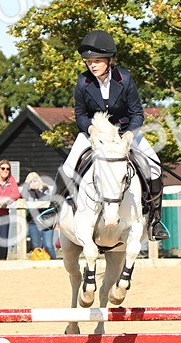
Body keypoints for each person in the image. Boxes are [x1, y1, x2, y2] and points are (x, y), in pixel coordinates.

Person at [37, 30, 169, 239]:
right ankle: (53, 209)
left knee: (154, 166)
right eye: (89, 61)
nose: (92, 65)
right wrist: (89, 129)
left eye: (97, 61)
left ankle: (155, 220)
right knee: (69, 165)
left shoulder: (125, 79)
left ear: (110, 60)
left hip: (125, 132)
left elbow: (137, 113)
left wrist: (130, 135)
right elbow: (80, 114)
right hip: (94, 134)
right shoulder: (83, 82)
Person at [22, 172, 58, 259]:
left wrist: (37, 190)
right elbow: (25, 198)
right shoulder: (28, 192)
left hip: (46, 221)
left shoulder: (46, 189)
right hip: (33, 222)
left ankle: (54, 262)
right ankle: (40, 263)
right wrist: (28, 187)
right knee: (36, 246)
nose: (33, 183)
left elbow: (45, 199)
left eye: (35, 181)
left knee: (48, 245)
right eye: (30, 182)